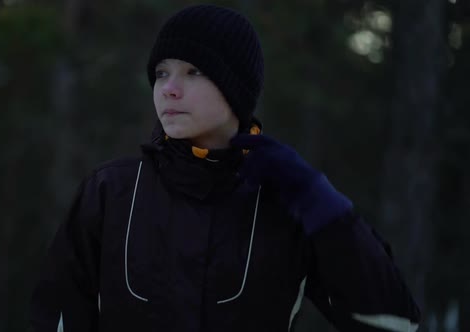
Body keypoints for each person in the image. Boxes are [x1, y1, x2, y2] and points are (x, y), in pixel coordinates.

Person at [29, 4, 421, 332]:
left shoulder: (288, 203)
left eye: (193, 71)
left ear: (236, 87)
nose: (168, 88)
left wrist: (326, 209)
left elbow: (395, 325)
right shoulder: (111, 193)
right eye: (162, 72)